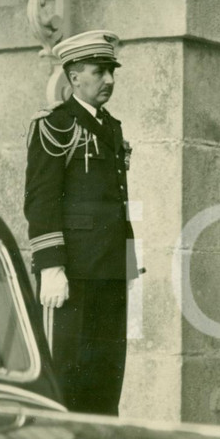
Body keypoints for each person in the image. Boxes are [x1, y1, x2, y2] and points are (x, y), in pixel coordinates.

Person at [24, 30, 138, 416]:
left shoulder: (111, 125)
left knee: (107, 370)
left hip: (110, 267)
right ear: (74, 76)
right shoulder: (55, 124)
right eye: (99, 70)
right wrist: (51, 266)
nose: (109, 80)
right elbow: (40, 200)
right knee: (71, 370)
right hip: (73, 271)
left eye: (111, 71)